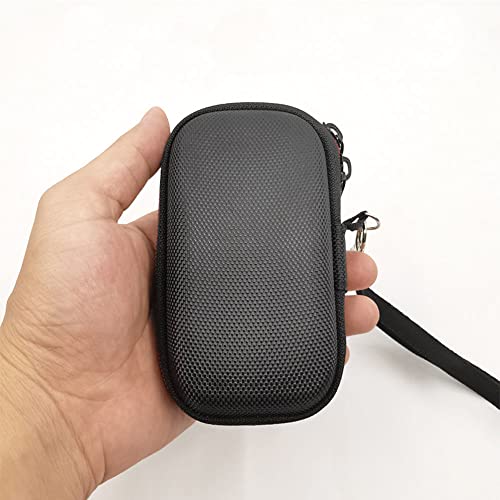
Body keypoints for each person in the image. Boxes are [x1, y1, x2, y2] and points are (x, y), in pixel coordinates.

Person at [0, 107, 379, 499]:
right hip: (276, 363)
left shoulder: (199, 140)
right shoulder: (299, 140)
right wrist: (47, 397)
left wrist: (44, 399)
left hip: (207, 367)